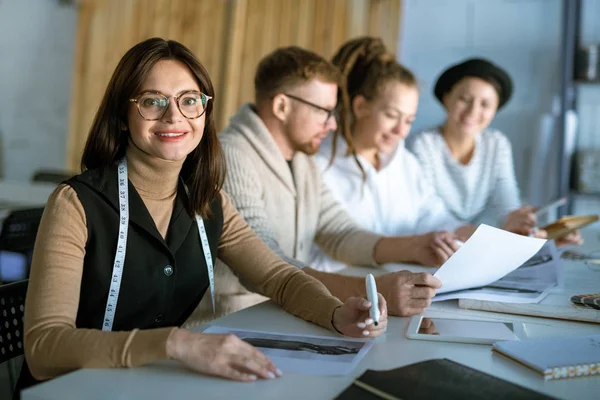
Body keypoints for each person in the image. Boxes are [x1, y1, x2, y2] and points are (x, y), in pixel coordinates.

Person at [16, 38, 388, 394]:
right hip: (72, 391)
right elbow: (44, 347)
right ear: (123, 115)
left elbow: (278, 277)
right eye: (152, 101)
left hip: (150, 385)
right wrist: (176, 344)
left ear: (204, 111)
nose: (174, 116)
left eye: (190, 100)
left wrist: (336, 313)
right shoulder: (75, 204)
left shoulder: (207, 200)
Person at [188, 46, 442, 327]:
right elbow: (265, 261)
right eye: (324, 111)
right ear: (282, 106)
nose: (333, 124)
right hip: (229, 324)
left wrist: (416, 247)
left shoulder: (302, 160)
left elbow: (339, 232)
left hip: (284, 312)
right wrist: (372, 289)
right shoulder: (229, 156)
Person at [308, 37, 475, 273]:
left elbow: (434, 217)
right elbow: (315, 256)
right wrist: (407, 249)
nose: (401, 130)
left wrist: (476, 235)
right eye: (391, 115)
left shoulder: (405, 163)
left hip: (401, 289)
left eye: (408, 120)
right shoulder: (318, 165)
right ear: (360, 106)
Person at [407, 58, 582, 245]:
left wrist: (540, 231)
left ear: (495, 110)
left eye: (485, 104)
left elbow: (507, 206)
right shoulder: (422, 144)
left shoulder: (496, 144)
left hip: (471, 243)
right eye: (464, 99)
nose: (473, 111)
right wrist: (495, 234)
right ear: (446, 98)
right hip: (428, 243)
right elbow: (428, 214)